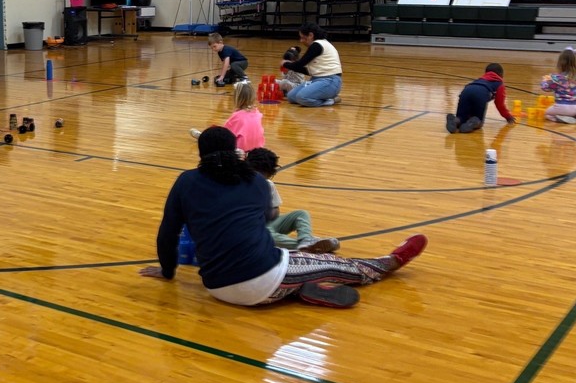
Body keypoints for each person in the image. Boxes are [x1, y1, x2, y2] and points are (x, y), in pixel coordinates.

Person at [140, 126, 427, 309]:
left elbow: (168, 234)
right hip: (264, 277)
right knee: (339, 265)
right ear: (235, 151)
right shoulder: (256, 181)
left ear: (200, 153)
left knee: (294, 264)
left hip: (216, 287)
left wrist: (167, 272)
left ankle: (299, 289)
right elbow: (266, 219)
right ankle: (387, 263)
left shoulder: (185, 181)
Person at [245, 147, 340, 253]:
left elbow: (276, 210)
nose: (262, 179)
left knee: (301, 214)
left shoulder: (269, 185)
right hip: (252, 228)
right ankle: (308, 247)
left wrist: (269, 212)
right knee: (268, 236)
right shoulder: (239, 185)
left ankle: (305, 240)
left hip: (268, 223)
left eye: (266, 176)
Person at [281, 23, 342, 107]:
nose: (301, 41)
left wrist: (285, 64)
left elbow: (300, 64)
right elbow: (307, 71)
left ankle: (330, 100)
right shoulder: (319, 45)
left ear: (310, 35)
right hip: (316, 79)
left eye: (303, 37)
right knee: (291, 97)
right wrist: (289, 65)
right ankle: (322, 96)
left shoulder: (317, 45)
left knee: (302, 97)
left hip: (330, 81)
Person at [189, 83, 264, 152]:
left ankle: (202, 137)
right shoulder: (257, 113)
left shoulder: (237, 116)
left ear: (236, 98)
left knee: (216, 137)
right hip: (258, 149)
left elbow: (225, 134)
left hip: (240, 149)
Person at [446, 62, 514, 133]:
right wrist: (507, 116)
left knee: (462, 118)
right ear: (501, 74)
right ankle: (474, 121)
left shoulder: (479, 80)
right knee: (478, 121)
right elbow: (499, 104)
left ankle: (454, 120)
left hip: (465, 92)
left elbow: (467, 89)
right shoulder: (500, 84)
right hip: (480, 95)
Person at [540, 47, 576, 124]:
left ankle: (557, 118)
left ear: (560, 63)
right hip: (575, 107)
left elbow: (545, 88)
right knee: (571, 111)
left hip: (560, 107)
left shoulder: (557, 78)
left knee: (546, 113)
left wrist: (545, 80)